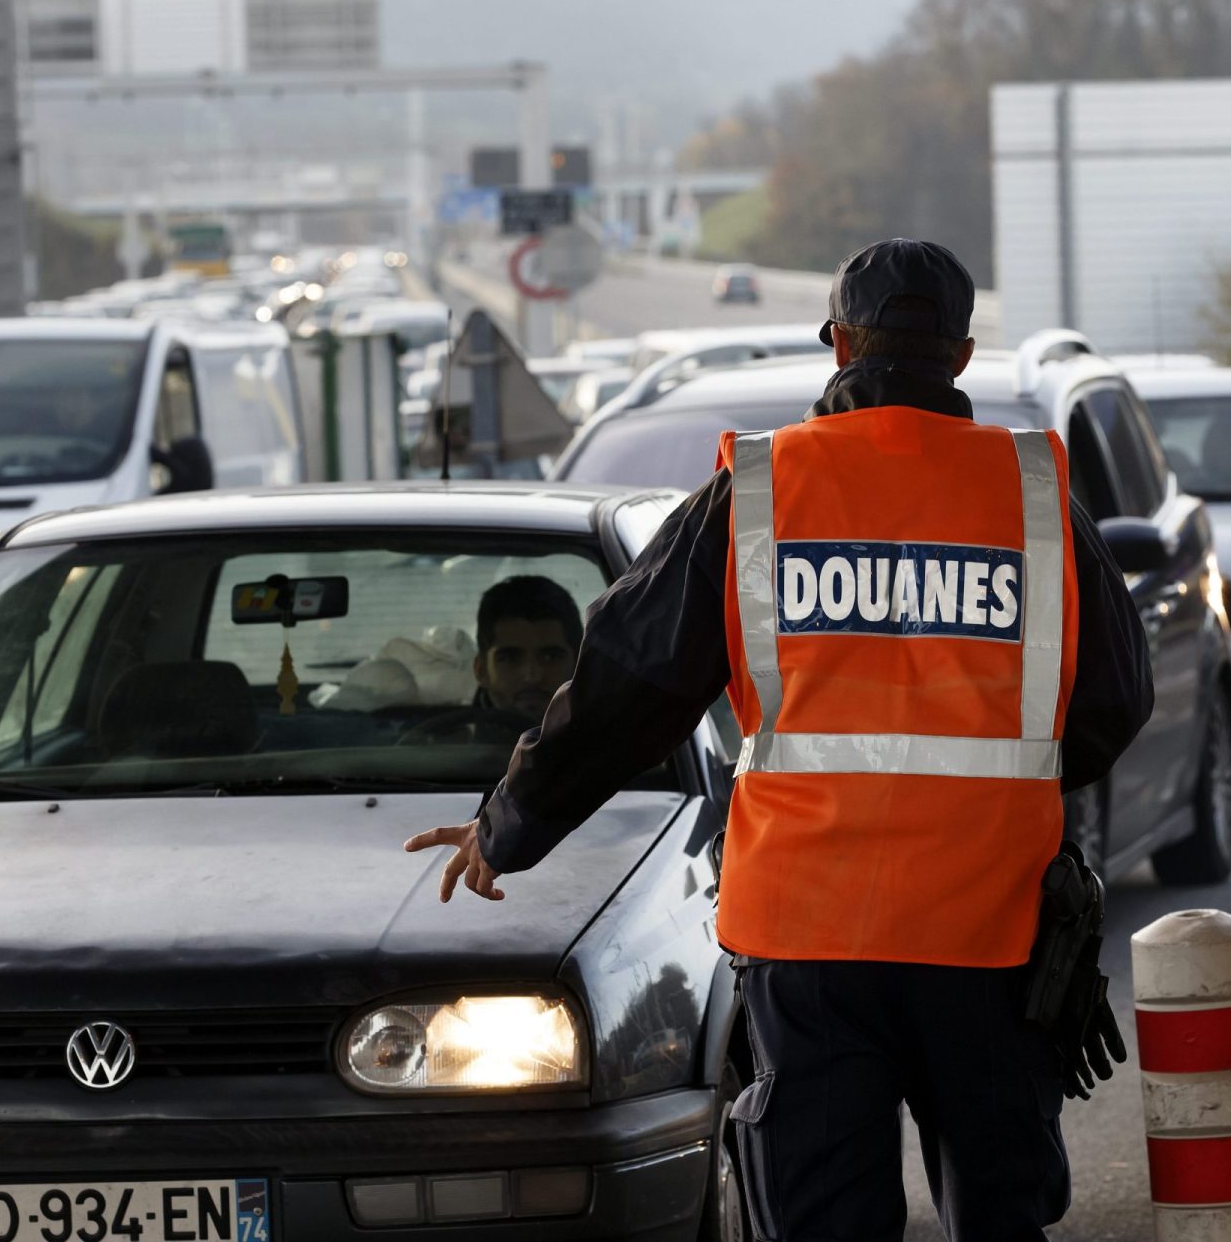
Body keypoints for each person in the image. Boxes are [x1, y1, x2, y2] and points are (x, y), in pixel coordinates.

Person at [406, 239, 1153, 1240]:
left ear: (839, 343)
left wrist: (507, 825)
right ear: (963, 357)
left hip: (811, 940)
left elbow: (629, 685)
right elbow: (1115, 700)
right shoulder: (1031, 497)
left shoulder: (761, 494)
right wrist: (1005, 798)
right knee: (1002, 1213)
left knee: (821, 1218)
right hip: (988, 929)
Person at [402, 576, 584, 744]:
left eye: (550, 657)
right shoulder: (441, 753)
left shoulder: (607, 749)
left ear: (578, 664)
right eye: (510, 659)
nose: (532, 676)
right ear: (481, 670)